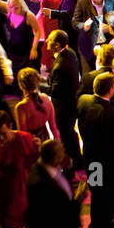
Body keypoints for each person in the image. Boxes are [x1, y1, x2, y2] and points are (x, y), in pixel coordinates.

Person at [24, 139, 90, 228]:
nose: (65, 154)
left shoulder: (46, 168)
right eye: (62, 152)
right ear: (55, 158)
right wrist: (78, 200)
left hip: (61, 226)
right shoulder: (41, 183)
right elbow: (58, 211)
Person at [77, 73, 114, 228]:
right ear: (111, 89)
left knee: (96, 194)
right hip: (105, 165)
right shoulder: (111, 114)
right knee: (105, 198)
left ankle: (96, 227)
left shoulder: (83, 100)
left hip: (91, 159)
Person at [0, 110, 39, 228]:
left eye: (3, 133)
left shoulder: (24, 138)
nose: (1, 138)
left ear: (10, 126)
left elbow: (35, 163)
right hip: (4, 190)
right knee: (7, 226)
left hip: (22, 188)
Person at [45, 30, 82, 167]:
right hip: (71, 101)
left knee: (65, 133)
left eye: (49, 39)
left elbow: (56, 91)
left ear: (56, 45)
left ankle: (72, 162)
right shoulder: (70, 53)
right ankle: (76, 160)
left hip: (63, 106)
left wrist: (41, 87)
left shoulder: (60, 66)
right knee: (70, 132)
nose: (47, 41)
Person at [13, 67, 59, 143]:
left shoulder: (21, 107)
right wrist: (58, 144)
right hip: (45, 140)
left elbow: (23, 135)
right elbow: (53, 128)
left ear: (20, 85)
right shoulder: (46, 99)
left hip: (31, 142)